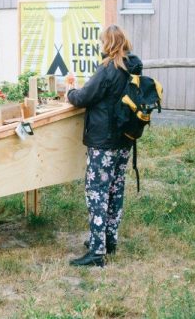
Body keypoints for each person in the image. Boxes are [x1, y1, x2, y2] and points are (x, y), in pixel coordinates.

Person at [66, 24, 143, 267]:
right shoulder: (134, 67)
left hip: (103, 141)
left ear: (107, 44)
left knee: (97, 191)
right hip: (125, 139)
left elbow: (83, 98)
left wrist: (69, 91)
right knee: (115, 190)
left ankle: (97, 252)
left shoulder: (108, 68)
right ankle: (109, 240)